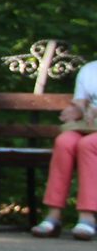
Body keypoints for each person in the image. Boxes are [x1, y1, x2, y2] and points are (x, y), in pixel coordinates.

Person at [34, 59, 97, 239]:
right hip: (88, 127)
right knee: (64, 142)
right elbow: (80, 102)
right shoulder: (90, 70)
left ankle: (87, 216)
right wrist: (75, 111)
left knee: (88, 145)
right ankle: (53, 215)